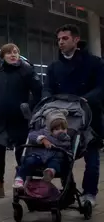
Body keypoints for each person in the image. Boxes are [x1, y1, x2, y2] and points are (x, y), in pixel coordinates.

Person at [44, 24, 104, 206]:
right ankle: (68, 191)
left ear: (76, 40)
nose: (60, 42)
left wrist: (84, 100)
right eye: (59, 39)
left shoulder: (94, 63)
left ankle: (89, 194)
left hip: (89, 118)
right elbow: (47, 88)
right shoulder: (54, 67)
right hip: (63, 119)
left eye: (65, 38)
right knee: (62, 154)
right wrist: (46, 100)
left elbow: (101, 87)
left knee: (92, 158)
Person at [0, 43, 42, 198]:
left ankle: (23, 184)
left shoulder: (27, 71)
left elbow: (38, 93)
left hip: (19, 120)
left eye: (15, 52)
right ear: (2, 57)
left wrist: (28, 107)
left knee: (21, 154)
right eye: (9, 53)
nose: (13, 55)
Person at [14, 110, 71, 189]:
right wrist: (43, 140)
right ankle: (20, 179)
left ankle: (49, 173)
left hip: (53, 158)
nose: (61, 131)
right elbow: (31, 135)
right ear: (50, 129)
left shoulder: (66, 139)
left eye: (63, 128)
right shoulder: (43, 132)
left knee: (55, 163)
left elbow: (68, 150)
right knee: (29, 161)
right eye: (57, 129)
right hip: (38, 155)